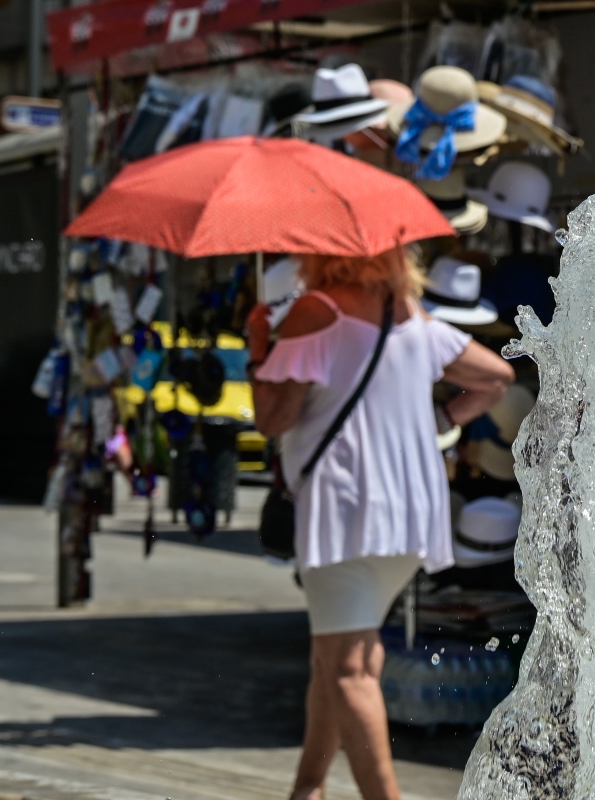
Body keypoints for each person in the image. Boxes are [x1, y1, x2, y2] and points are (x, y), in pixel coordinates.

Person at [245, 247, 514, 800]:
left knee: (349, 670)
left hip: (344, 512)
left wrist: (257, 349)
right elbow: (497, 377)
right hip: (410, 512)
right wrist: (442, 418)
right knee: (337, 656)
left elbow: (273, 419)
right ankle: (308, 788)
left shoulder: (315, 311)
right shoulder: (409, 315)